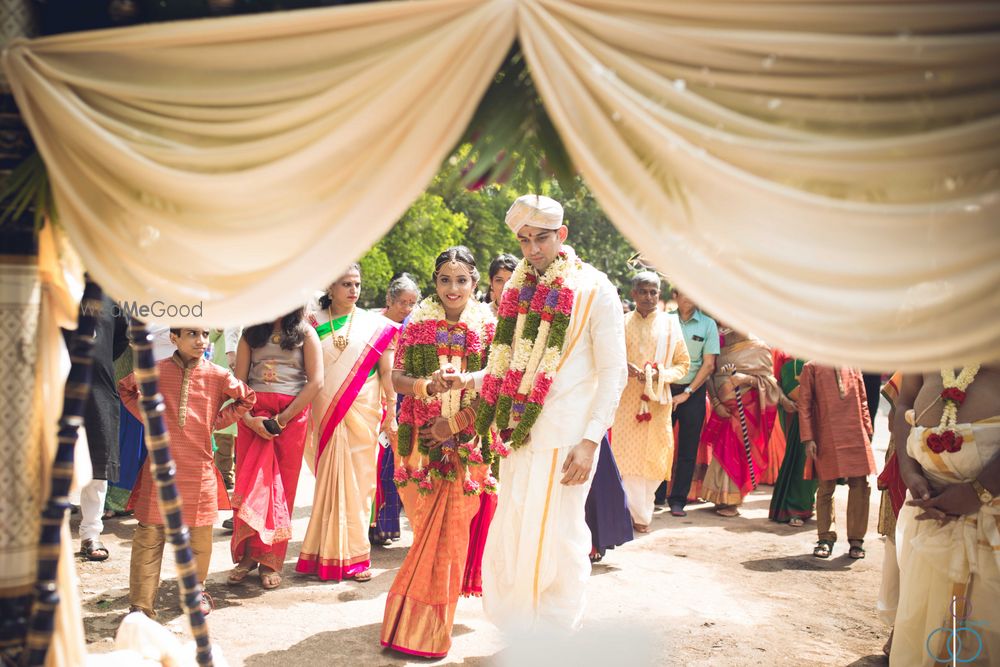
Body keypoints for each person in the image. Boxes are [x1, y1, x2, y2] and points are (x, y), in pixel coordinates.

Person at [455, 194, 627, 633]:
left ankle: (554, 636)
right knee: (514, 533)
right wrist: (469, 381)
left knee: (560, 538)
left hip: (569, 439)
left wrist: (591, 441)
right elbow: (506, 364)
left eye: (542, 239)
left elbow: (613, 373)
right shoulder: (517, 288)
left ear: (562, 235)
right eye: (525, 240)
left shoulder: (595, 288)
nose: (533, 250)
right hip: (518, 435)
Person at [380, 246, 497, 658]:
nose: (453, 288)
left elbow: (494, 386)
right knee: (424, 532)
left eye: (461, 280)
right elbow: (395, 377)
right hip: (420, 446)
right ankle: (412, 620)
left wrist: (456, 423)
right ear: (435, 283)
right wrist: (426, 387)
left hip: (467, 448)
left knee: (450, 540)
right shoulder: (415, 324)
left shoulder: (488, 327)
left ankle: (428, 632)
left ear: (474, 283)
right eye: (445, 280)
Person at [119, 327, 255, 617]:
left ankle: (195, 592)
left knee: (200, 535)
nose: (200, 341)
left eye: (205, 334)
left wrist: (214, 422)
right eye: (192, 334)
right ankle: (141, 604)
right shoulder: (154, 370)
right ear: (174, 339)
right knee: (149, 535)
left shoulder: (218, 375)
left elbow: (247, 399)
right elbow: (125, 388)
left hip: (199, 466)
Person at [888, 365, 999, 666]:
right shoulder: (928, 335)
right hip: (932, 512)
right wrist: (909, 471)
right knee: (930, 628)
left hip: (992, 512)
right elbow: (903, 406)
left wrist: (979, 491)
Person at [295, 265, 399, 582]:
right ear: (330, 287)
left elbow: (387, 374)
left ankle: (355, 555)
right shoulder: (309, 325)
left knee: (360, 483)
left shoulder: (375, 326)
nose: (353, 290)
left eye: (357, 284)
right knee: (329, 480)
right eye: (346, 284)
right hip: (324, 410)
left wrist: (392, 412)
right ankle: (322, 552)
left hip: (364, 410)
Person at [228, 309, 322, 590]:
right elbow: (239, 383)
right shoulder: (250, 332)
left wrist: (281, 419)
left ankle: (270, 559)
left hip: (289, 420)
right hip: (252, 416)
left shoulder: (306, 332)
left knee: (282, 489)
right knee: (250, 486)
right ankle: (247, 556)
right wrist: (249, 419)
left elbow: (316, 382)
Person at [610, 271, 690, 532]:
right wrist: (624, 367)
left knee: (655, 460)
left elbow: (683, 364)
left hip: (657, 403)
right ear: (633, 294)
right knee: (625, 458)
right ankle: (634, 514)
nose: (648, 296)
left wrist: (660, 374)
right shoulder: (620, 323)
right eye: (643, 291)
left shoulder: (670, 324)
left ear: (660, 294)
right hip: (626, 402)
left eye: (653, 292)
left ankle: (641, 510)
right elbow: (608, 359)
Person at [698, 326, 787, 517]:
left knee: (736, 451)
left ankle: (732, 500)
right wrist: (716, 402)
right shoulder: (720, 345)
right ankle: (719, 497)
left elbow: (770, 383)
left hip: (746, 411)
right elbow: (710, 376)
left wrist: (745, 378)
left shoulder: (760, 347)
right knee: (721, 450)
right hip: (723, 408)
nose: (725, 326)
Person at [71, 294, 129, 561]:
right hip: (55, 384)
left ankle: (90, 535)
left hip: (99, 387)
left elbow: (120, 338)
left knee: (98, 464)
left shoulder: (110, 298)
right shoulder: (54, 286)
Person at [798, 363, 875, 559]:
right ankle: (825, 538)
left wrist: (867, 431)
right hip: (826, 432)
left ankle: (857, 540)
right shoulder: (812, 366)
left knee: (860, 485)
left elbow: (863, 400)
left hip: (855, 432)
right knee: (826, 485)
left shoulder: (853, 364)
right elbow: (804, 404)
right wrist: (808, 438)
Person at [654, 288, 719, 517]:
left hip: (693, 392)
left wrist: (688, 393)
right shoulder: (664, 321)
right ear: (675, 295)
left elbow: (709, 364)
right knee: (660, 443)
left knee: (688, 448)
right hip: (664, 389)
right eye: (685, 292)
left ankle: (678, 499)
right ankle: (656, 495)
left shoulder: (708, 324)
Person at [371, 273, 421, 546]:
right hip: (371, 401)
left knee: (393, 465)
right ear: (389, 299)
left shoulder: (412, 328)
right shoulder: (373, 325)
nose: (406, 308)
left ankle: (387, 526)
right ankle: (370, 523)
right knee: (375, 464)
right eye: (402, 302)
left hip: (400, 402)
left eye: (412, 303)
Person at [768, 358, 816, 527]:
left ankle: (811, 505)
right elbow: (798, 395)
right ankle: (795, 508)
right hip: (805, 420)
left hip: (829, 420)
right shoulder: (793, 366)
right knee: (802, 464)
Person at [209, 326, 242, 490]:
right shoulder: (223, 316)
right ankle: (225, 475)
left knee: (242, 426)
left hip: (243, 374)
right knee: (223, 427)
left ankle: (238, 473)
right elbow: (208, 339)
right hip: (221, 373)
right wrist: (218, 329)